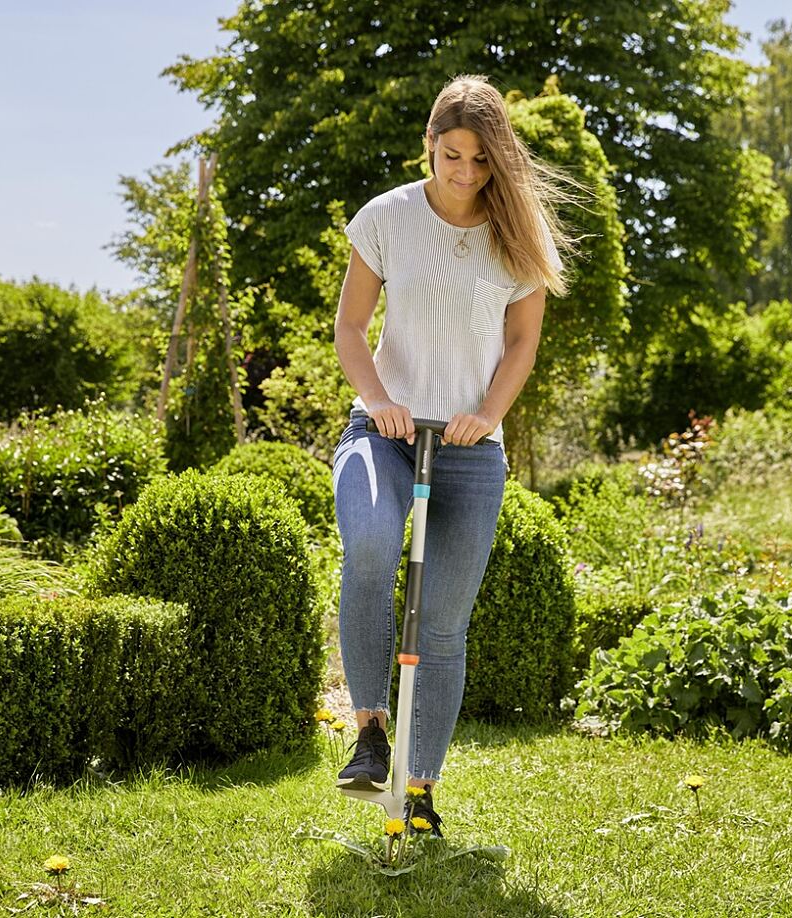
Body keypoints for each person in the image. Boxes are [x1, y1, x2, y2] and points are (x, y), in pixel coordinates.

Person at [330, 74, 575, 835]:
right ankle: (370, 732)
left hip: (471, 448)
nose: (464, 173)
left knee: (440, 625)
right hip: (385, 433)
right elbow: (349, 329)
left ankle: (421, 791)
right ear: (429, 146)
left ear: (498, 161)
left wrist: (486, 414)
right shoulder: (387, 218)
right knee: (370, 546)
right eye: (451, 155)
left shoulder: (518, 234)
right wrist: (379, 402)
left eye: (479, 160)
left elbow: (522, 342)